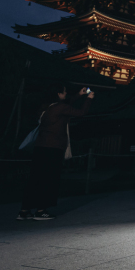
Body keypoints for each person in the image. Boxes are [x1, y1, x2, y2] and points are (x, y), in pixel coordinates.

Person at [18, 84, 93, 220]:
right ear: (58, 94)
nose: (65, 94)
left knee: (35, 179)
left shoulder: (46, 107)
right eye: (64, 92)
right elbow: (81, 112)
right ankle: (41, 211)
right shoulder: (60, 108)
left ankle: (24, 210)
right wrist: (89, 99)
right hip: (53, 148)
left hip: (40, 147)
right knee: (49, 179)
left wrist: (78, 95)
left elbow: (64, 106)